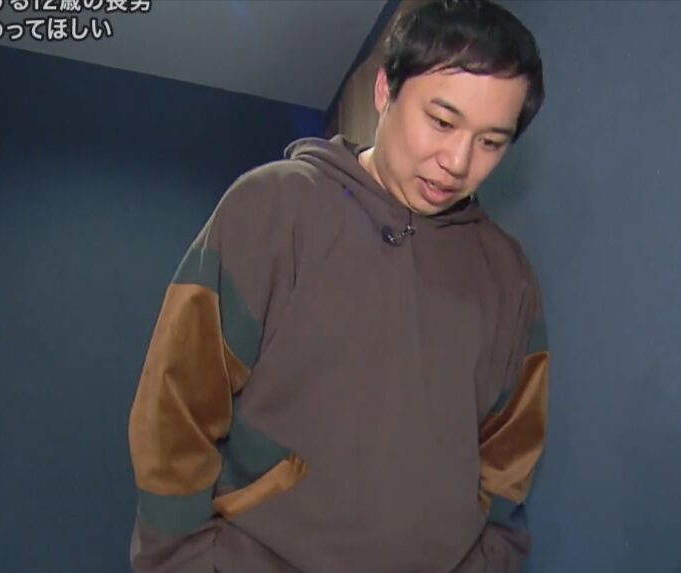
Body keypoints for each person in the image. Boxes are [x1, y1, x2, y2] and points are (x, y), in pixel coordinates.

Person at [127, 1, 549, 571]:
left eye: (491, 142)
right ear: (385, 90)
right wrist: (178, 560)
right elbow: (176, 410)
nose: (456, 160)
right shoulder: (274, 205)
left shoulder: (509, 275)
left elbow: (511, 451)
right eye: (442, 121)